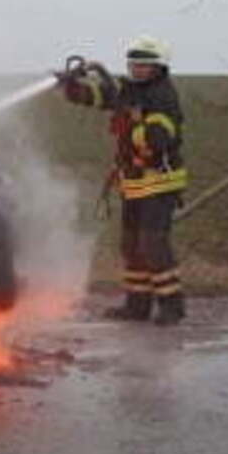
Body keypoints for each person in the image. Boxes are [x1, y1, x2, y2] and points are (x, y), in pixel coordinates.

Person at [58, 35, 188, 325]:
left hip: (159, 181)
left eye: (144, 65)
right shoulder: (131, 91)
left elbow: (159, 139)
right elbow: (99, 98)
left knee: (153, 243)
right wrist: (71, 87)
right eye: (134, 64)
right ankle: (137, 305)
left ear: (158, 67)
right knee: (131, 245)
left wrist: (135, 121)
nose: (137, 69)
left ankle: (172, 306)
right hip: (134, 183)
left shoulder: (162, 96)